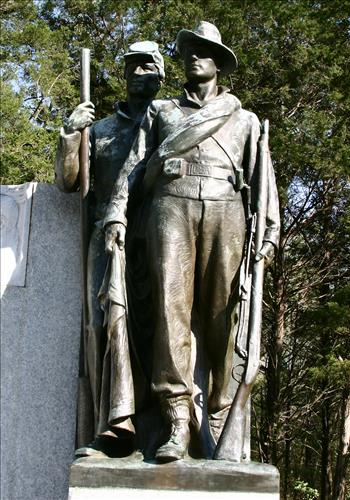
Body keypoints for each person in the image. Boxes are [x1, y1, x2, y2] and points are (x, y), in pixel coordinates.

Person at [104, 21, 280, 462]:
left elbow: (263, 184)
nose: (193, 57)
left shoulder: (245, 121)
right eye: (188, 51)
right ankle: (177, 419)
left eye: (203, 51)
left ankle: (221, 412)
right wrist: (116, 213)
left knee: (225, 315)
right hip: (170, 210)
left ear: (219, 62)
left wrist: (271, 235)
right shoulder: (162, 112)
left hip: (226, 212)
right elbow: (134, 167)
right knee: (170, 312)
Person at [55, 41, 165, 457]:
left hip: (156, 232)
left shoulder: (171, 122)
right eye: (132, 66)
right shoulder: (99, 130)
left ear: (161, 74)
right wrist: (70, 135)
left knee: (159, 332)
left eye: (148, 65)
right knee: (101, 326)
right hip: (106, 234)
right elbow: (69, 182)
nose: (139, 72)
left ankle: (159, 434)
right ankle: (109, 430)